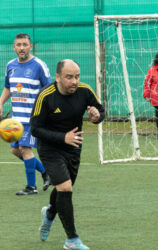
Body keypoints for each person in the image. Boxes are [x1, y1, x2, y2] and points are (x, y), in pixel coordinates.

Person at [30, 59, 105, 249]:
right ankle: (72, 240)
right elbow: (35, 129)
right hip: (50, 148)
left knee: (64, 188)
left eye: (77, 76)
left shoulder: (85, 91)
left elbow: (101, 111)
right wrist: (63, 137)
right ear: (57, 77)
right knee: (65, 188)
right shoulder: (45, 96)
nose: (74, 81)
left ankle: (49, 214)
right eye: (69, 77)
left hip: (74, 146)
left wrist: (97, 116)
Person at [0, 33, 51, 195]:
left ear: (31, 46)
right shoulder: (10, 66)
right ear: (14, 47)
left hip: (33, 117)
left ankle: (31, 187)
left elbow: (49, 90)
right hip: (16, 119)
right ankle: (46, 172)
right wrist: (0, 102)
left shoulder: (39, 66)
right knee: (15, 151)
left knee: (25, 148)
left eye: (24, 45)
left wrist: (46, 113)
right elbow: (8, 87)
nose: (22, 48)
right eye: (18, 45)